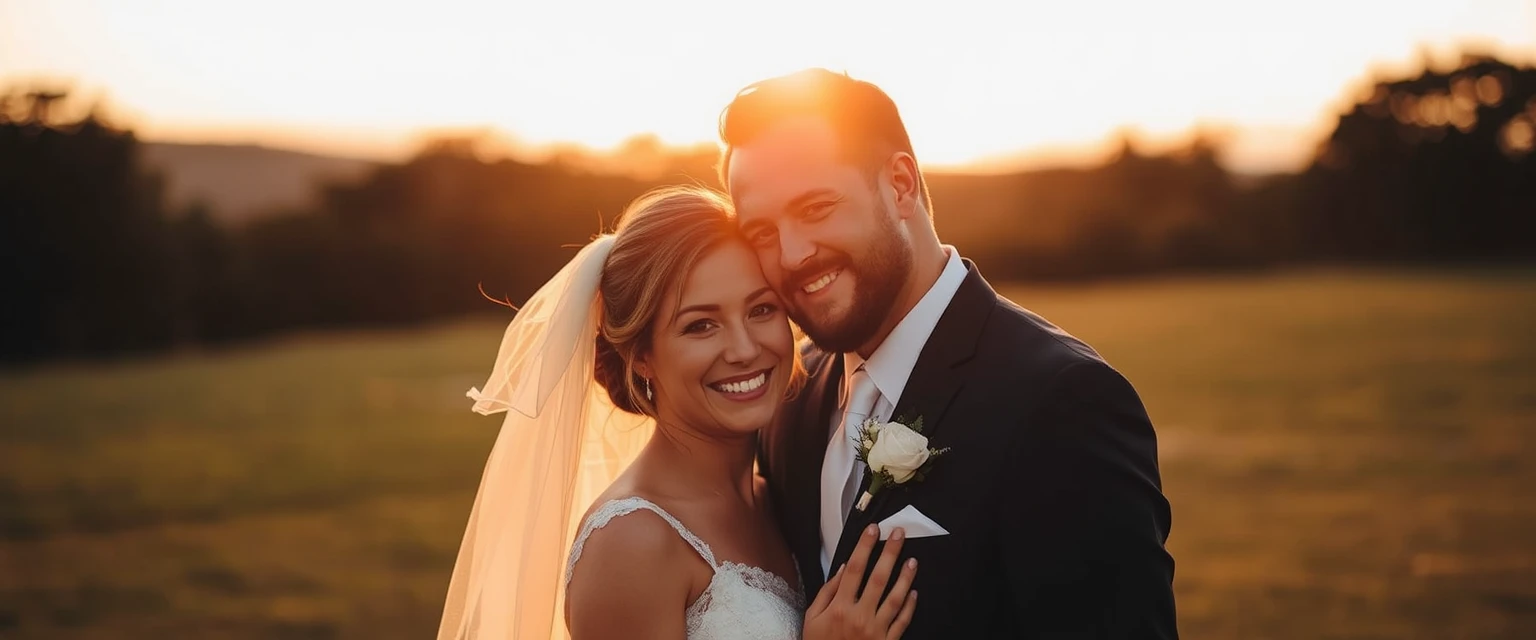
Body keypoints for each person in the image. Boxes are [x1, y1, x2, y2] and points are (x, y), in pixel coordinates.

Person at [721, 68, 1180, 638]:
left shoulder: (1063, 402)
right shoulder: (788, 399)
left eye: (816, 208)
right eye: (762, 230)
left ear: (901, 185)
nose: (791, 254)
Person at [437, 185, 918, 640]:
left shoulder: (776, 492)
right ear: (641, 355)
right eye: (700, 325)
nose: (745, 349)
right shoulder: (631, 543)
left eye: (761, 309)